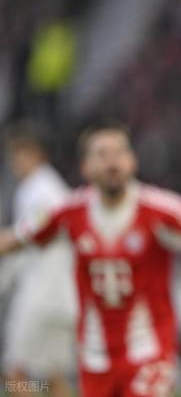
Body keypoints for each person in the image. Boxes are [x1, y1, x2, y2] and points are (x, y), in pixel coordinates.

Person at [0, 120, 181, 397]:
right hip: (94, 360)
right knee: (32, 376)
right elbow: (16, 239)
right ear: (85, 166)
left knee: (24, 373)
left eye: (119, 153)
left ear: (132, 160)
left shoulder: (158, 209)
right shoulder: (68, 212)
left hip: (149, 356)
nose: (112, 162)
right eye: (102, 154)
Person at [1, 122, 76, 397]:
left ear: (35, 153)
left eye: (18, 154)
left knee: (14, 375)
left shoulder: (40, 189)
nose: (14, 162)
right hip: (62, 295)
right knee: (53, 377)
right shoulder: (51, 187)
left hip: (41, 296)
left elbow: (32, 237)